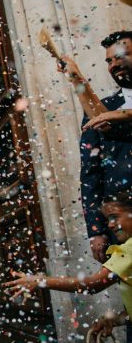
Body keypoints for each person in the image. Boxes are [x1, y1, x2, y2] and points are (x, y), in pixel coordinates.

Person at [5, 191, 132, 343]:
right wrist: (116, 319)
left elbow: (92, 284)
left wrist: (41, 281)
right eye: (108, 219)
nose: (110, 225)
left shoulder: (128, 250)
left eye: (115, 217)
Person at [60, 30, 132, 263]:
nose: (114, 64)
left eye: (121, 56)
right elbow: (90, 173)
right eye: (109, 61)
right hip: (125, 224)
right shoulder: (104, 108)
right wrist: (96, 231)